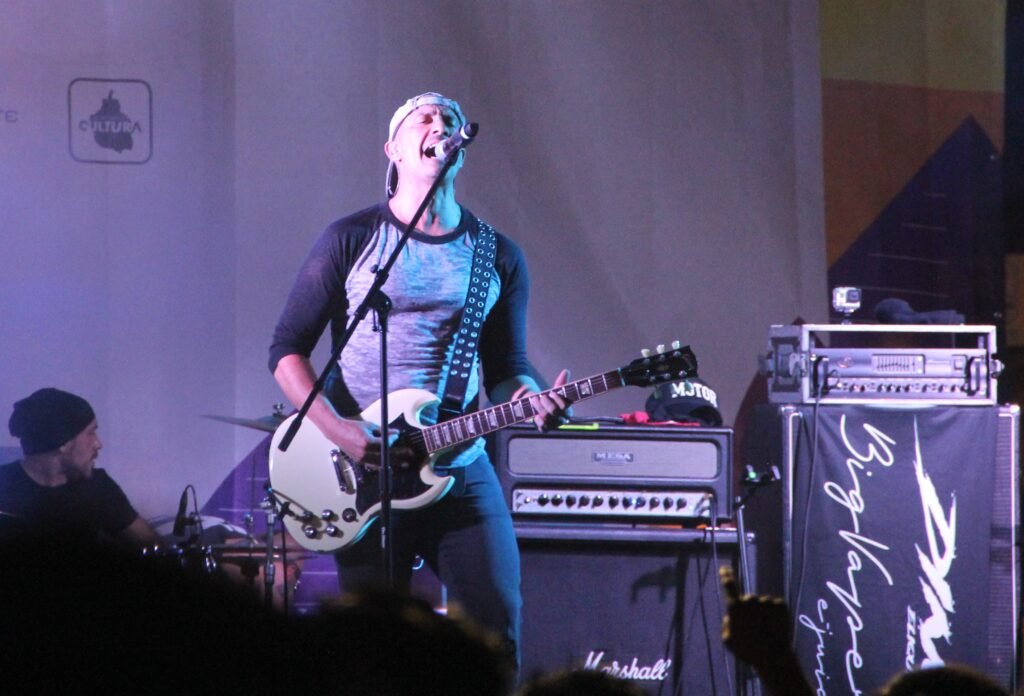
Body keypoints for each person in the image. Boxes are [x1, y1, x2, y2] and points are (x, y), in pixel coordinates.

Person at [269, 91, 569, 667]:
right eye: (424, 118)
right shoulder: (352, 238)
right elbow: (286, 352)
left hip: (457, 463)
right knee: (375, 648)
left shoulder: (496, 254)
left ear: (461, 150)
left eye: (449, 118)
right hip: (360, 471)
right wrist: (339, 431)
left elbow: (506, 366)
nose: (440, 125)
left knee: (496, 629)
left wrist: (529, 398)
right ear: (394, 150)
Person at [0, 387, 160, 549]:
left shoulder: (98, 487)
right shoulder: (4, 487)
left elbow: (151, 544)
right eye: (91, 433)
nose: (98, 444)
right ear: (63, 442)